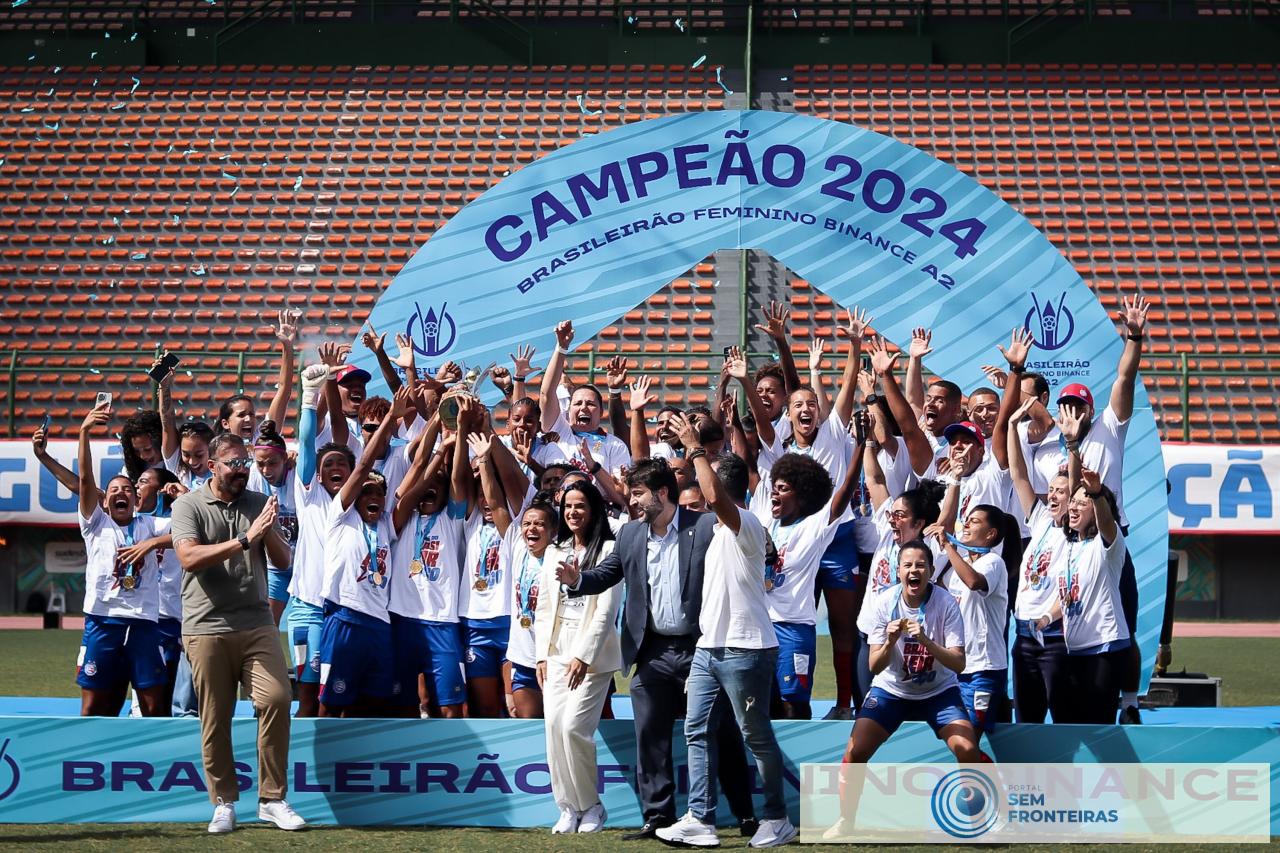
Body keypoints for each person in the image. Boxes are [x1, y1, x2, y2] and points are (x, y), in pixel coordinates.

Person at [557, 457, 759, 841]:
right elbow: (607, 574)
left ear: (661, 493)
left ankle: (745, 812)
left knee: (722, 732)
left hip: (701, 648)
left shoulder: (704, 527)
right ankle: (657, 818)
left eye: (637, 494)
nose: (630, 501)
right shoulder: (631, 534)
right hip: (650, 652)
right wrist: (578, 579)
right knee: (649, 735)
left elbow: (743, 544)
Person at [654, 414, 798, 849]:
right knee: (695, 730)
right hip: (709, 650)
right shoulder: (719, 530)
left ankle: (776, 818)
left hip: (747, 650)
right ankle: (700, 817)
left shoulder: (747, 524)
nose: (698, 494)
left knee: (755, 735)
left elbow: (715, 496)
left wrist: (694, 447)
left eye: (706, 481)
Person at [169, 432, 304, 834]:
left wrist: (269, 529)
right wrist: (245, 538)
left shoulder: (260, 503)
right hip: (205, 625)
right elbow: (189, 558)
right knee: (215, 717)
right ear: (212, 466)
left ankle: (272, 798)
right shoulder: (188, 505)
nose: (242, 470)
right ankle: (224, 802)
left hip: (257, 622)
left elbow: (283, 563)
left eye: (245, 463)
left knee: (277, 698)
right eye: (233, 464)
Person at [826, 540, 978, 840]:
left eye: (920, 565)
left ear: (931, 571)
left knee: (968, 749)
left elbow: (959, 664)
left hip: (939, 692)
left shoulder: (946, 603)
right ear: (898, 571)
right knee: (855, 751)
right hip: (891, 691)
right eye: (907, 565)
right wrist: (891, 641)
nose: (914, 570)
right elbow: (873, 665)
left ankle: (979, 821)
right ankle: (846, 821)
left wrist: (928, 643)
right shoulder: (884, 603)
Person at [317, 388, 418, 717]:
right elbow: (361, 467)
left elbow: (415, 480)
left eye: (380, 493)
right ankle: (324, 767)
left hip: (380, 623)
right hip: (344, 617)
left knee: (372, 705)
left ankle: (355, 766)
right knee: (331, 705)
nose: (374, 497)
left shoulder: (385, 524)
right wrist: (390, 418)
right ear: (356, 496)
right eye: (367, 492)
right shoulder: (340, 515)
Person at [754, 439, 863, 721]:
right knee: (762, 703)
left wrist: (862, 446)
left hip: (793, 630)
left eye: (784, 488)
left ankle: (797, 762)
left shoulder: (814, 528)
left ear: (803, 496)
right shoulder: (766, 521)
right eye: (774, 486)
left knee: (793, 705)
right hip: (759, 627)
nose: (775, 492)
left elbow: (845, 491)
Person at [75, 401, 171, 717]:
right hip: (102, 619)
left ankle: (155, 761)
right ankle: (87, 761)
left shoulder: (150, 524)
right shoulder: (95, 523)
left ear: (135, 499)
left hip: (144, 622)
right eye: (114, 489)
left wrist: (154, 542)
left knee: (154, 705)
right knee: (93, 705)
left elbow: (191, 532)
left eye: (128, 490)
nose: (121, 493)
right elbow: (86, 480)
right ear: (105, 500)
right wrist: (85, 432)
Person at [536, 481, 619, 834]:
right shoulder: (555, 551)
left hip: (593, 656)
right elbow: (543, 607)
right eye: (568, 506)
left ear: (594, 509)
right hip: (555, 652)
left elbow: (606, 610)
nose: (573, 512)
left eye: (580, 505)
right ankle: (568, 807)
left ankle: (592, 807)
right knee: (554, 729)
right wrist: (541, 655)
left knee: (573, 728)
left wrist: (584, 656)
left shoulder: (611, 549)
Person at [1033, 467, 1131, 725]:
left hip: (1104, 648)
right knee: (1069, 725)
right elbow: (1067, 597)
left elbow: (1107, 524)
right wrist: (1046, 617)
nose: (1074, 508)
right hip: (1074, 651)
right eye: (1073, 502)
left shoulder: (1107, 544)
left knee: (1098, 726)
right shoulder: (1069, 546)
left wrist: (1097, 493)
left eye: (1082, 503)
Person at [387, 416, 470, 718]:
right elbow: (414, 481)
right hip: (402, 620)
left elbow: (459, 479)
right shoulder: (400, 520)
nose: (430, 489)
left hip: (443, 623)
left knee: (450, 708)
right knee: (405, 706)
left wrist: (457, 435)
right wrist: (436, 457)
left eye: (438, 485)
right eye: (427, 485)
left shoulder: (453, 519)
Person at [287, 363, 347, 717]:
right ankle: (302, 767)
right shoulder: (309, 494)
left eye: (342, 462)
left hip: (343, 611)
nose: (334, 468)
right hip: (308, 609)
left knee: (336, 698)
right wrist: (310, 398)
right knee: (308, 697)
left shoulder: (355, 503)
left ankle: (336, 768)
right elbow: (308, 442)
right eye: (328, 465)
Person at [1008, 397, 1072, 723]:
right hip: (1024, 636)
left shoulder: (1079, 533)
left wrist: (1071, 444)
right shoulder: (1041, 518)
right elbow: (1018, 474)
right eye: (1052, 490)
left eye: (1061, 491)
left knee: (1063, 720)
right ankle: (1025, 776)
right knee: (1027, 721)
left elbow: (1076, 587)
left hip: (1055, 636)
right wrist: (1009, 426)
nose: (1053, 495)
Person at [934, 504, 1019, 739]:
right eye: (967, 519)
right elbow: (936, 590)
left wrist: (949, 546)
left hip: (983, 668)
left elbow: (973, 581)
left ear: (990, 534)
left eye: (975, 521)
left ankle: (982, 776)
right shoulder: (956, 568)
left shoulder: (993, 562)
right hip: (956, 668)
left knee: (969, 739)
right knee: (956, 740)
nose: (967, 524)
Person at [539, 320, 632, 477]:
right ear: (568, 410)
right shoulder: (559, 432)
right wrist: (561, 348)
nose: (583, 408)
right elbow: (546, 394)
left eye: (590, 403)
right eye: (577, 403)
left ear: (601, 411)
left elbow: (619, 491)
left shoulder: (614, 445)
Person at [247, 420, 297, 627]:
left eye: (273, 463)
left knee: (305, 623)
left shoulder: (298, 475)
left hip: (304, 563)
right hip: (275, 565)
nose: (266, 470)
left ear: (285, 459)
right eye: (260, 464)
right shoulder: (254, 476)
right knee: (267, 625)